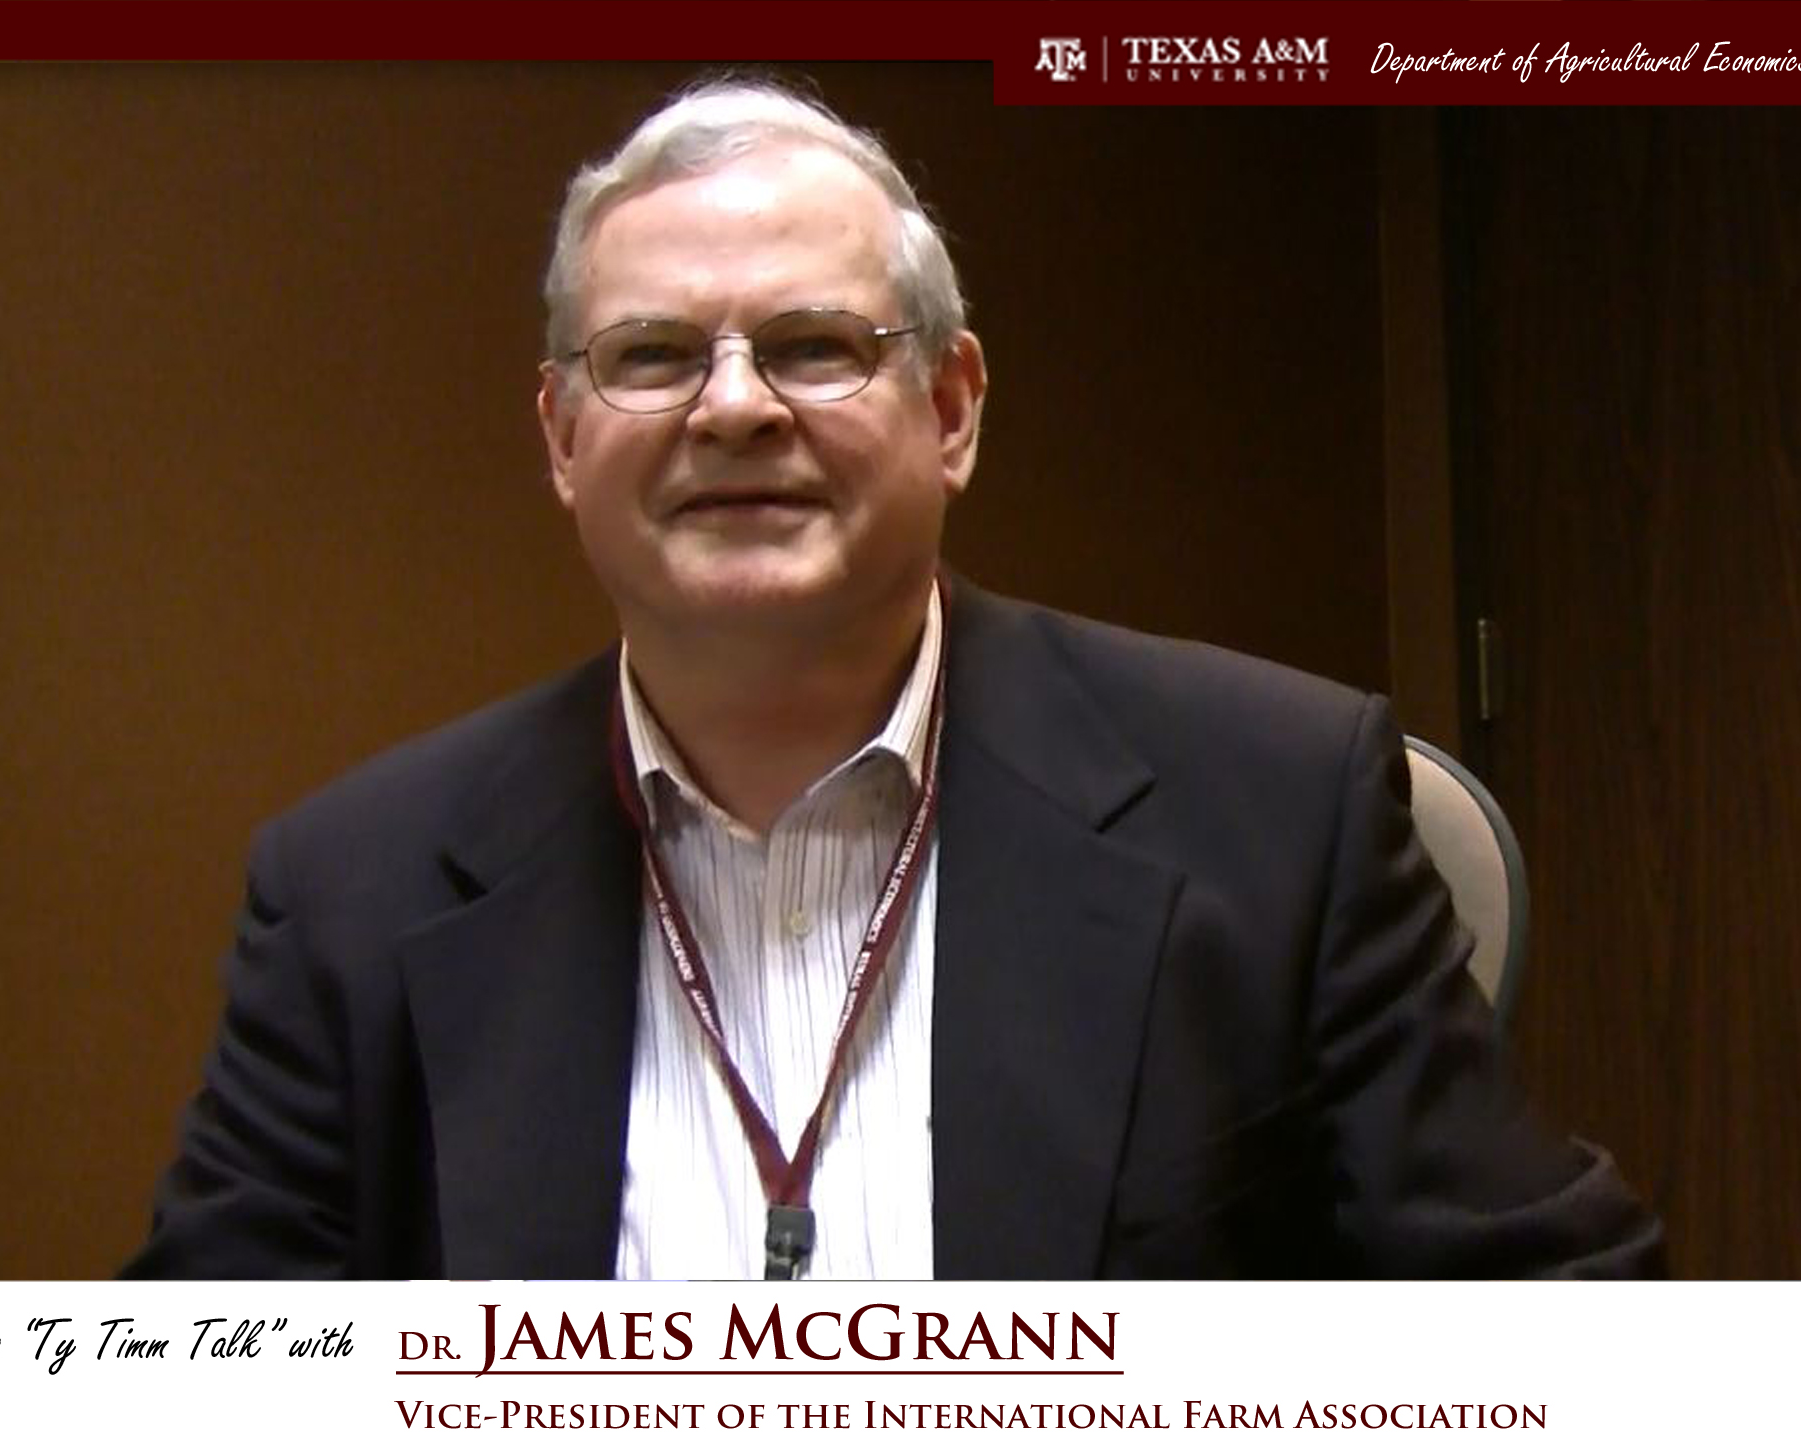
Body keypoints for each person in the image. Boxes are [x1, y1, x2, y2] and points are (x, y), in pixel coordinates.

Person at [123, 80, 1662, 1280]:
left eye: (812, 345)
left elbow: (1566, 1320)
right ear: (560, 436)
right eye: (653, 357)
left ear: (952, 405)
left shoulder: (1275, 804)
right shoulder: (352, 891)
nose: (731, 408)